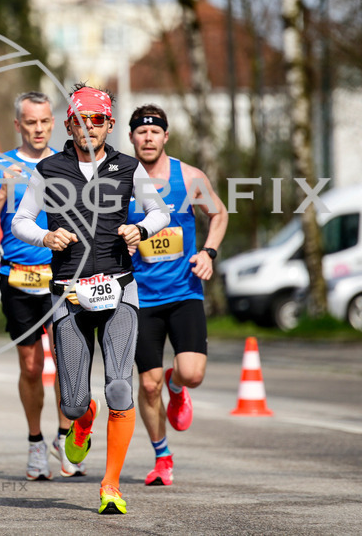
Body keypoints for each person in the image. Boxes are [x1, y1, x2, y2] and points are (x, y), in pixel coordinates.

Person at [12, 86, 170, 515]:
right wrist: (45, 235)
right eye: (81, 120)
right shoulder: (48, 169)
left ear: (108, 125)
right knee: (72, 402)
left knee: (121, 385)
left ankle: (112, 485)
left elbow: (160, 212)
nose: (89, 127)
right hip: (69, 293)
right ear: (69, 125)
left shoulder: (128, 167)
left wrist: (141, 229)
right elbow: (20, 220)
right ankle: (84, 419)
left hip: (120, 286)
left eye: (97, 120)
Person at [0, 91, 84, 481]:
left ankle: (63, 437)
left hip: (63, 276)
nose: (38, 129)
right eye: (30, 122)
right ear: (18, 125)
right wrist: (4, 192)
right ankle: (35, 441)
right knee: (30, 365)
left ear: (52, 123)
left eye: (44, 122)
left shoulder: (70, 163)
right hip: (18, 276)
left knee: (67, 363)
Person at [125, 104, 228, 487]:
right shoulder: (120, 180)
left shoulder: (189, 177)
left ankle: (177, 385)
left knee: (192, 374)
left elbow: (218, 214)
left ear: (166, 136)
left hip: (184, 291)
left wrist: (209, 252)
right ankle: (162, 456)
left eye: (155, 132)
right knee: (146, 384)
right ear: (132, 137)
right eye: (140, 132)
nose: (148, 138)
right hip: (138, 298)